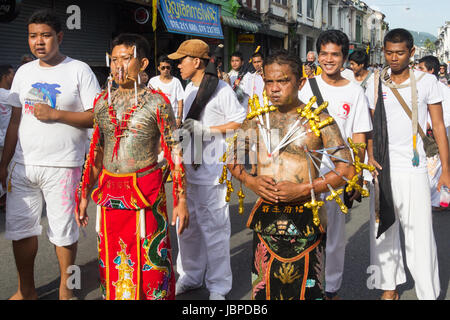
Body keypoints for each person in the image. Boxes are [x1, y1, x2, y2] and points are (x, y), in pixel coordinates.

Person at [227, 49, 355, 300]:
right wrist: (251, 181)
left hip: (306, 219)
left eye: (283, 81)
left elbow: (347, 169)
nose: (274, 88)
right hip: (266, 219)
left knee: (307, 292)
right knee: (264, 292)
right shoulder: (256, 120)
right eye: (269, 81)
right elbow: (232, 159)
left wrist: (305, 189)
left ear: (300, 82)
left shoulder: (320, 121)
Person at [75, 33, 189, 300]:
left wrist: (181, 199)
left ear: (144, 62)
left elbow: (175, 151)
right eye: (114, 60)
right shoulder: (102, 103)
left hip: (146, 195)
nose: (119, 66)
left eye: (126, 59)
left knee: (152, 267)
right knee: (114, 263)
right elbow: (96, 153)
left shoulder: (157, 102)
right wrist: (82, 195)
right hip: (109, 197)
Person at [0, 9, 101, 300]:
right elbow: (15, 121)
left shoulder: (79, 69)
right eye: (33, 36)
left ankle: (65, 290)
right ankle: (26, 290)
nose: (38, 42)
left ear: (59, 36)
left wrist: (56, 114)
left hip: (64, 165)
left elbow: (96, 116)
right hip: (23, 166)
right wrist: (4, 163)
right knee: (20, 231)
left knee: (64, 233)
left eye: (45, 35)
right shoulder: (24, 72)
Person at [366, 28, 449, 300]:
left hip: (414, 168)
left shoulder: (426, 82)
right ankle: (389, 287)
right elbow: (368, 127)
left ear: (411, 53)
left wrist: (446, 170)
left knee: (420, 235)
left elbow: (437, 126)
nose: (393, 58)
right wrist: (370, 160)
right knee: (383, 233)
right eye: (389, 52)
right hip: (382, 168)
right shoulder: (375, 81)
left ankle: (428, 292)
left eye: (399, 52)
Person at [168, 39, 247, 300]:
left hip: (212, 172)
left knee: (215, 231)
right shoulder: (188, 89)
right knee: (187, 229)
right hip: (188, 171)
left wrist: (207, 131)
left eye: (182, 59)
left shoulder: (221, 89)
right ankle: (190, 276)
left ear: (198, 61)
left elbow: (239, 123)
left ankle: (218, 286)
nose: (177, 64)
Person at [298, 30, 373, 300]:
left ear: (344, 57)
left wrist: (357, 178)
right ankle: (307, 285)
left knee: (335, 237)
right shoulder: (305, 87)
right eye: (324, 54)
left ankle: (331, 289)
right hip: (304, 172)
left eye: (335, 54)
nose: (329, 59)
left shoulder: (355, 92)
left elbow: (359, 136)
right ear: (318, 56)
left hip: (338, 173)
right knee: (305, 233)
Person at [418, 55, 450, 211]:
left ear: (431, 70)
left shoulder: (442, 89)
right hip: (426, 137)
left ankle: (442, 202)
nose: (417, 71)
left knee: (439, 169)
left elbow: (445, 118)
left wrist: (432, 125)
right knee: (431, 170)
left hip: (438, 135)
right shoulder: (420, 87)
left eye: (421, 68)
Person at [148, 55, 184, 128]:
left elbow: (180, 101)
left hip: (172, 120)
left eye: (168, 67)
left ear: (170, 68)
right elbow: (148, 99)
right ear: (158, 68)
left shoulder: (176, 82)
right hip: (156, 120)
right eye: (163, 68)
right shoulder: (153, 81)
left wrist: (179, 118)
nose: (165, 70)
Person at [0, 65, 15, 209]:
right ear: (5, 77)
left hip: (3, 140)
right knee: (7, 172)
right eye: (12, 74)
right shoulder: (9, 96)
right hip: (6, 141)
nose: (14, 77)